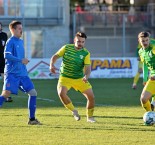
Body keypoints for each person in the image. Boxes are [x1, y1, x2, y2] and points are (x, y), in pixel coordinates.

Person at [0, 20, 41, 125]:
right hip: (12, 74)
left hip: (23, 74)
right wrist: (21, 60)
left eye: (21, 28)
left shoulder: (21, 41)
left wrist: (23, 62)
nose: (21, 30)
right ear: (13, 30)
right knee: (5, 94)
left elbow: (20, 58)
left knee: (33, 93)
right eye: (19, 29)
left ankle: (32, 120)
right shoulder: (10, 41)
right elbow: (7, 55)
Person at [49, 32, 96, 123]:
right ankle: (74, 111)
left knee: (91, 97)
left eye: (82, 42)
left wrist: (86, 76)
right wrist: (51, 65)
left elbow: (88, 68)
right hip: (65, 77)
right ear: (74, 40)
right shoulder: (66, 48)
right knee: (61, 93)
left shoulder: (86, 53)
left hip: (79, 78)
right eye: (78, 41)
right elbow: (55, 56)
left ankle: (90, 117)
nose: (80, 44)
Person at [138, 31, 155, 114]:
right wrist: (144, 79)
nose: (145, 42)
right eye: (143, 41)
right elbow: (145, 64)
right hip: (153, 78)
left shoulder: (153, 48)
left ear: (149, 40)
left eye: (146, 40)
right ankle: (151, 115)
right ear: (139, 41)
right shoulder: (141, 52)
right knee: (143, 99)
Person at [0, 22, 13, 102]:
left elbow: (4, 46)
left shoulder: (4, 35)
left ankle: (6, 96)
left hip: (2, 60)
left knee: (5, 79)